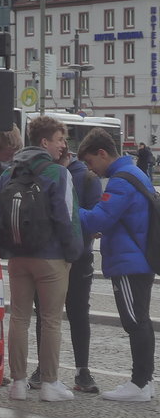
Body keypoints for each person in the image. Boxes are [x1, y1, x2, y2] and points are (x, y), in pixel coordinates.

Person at [0, 115, 83, 402]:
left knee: (19, 318)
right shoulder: (59, 174)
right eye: (60, 139)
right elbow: (67, 219)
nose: (63, 145)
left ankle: (18, 384)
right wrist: (73, 254)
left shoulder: (7, 174)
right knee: (51, 321)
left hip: (18, 258)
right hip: (51, 258)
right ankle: (50, 384)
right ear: (44, 142)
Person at [77, 127, 156, 402]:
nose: (91, 170)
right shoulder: (135, 173)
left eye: (90, 162)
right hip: (137, 258)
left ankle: (140, 383)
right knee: (139, 320)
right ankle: (144, 381)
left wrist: (66, 207)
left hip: (129, 261)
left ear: (102, 153)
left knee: (135, 322)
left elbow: (96, 220)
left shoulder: (121, 180)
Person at [28, 145, 102, 393]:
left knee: (76, 313)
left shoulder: (87, 179)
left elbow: (95, 219)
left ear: (68, 158)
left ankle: (81, 370)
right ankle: (46, 369)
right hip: (53, 256)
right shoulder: (46, 175)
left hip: (76, 256)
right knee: (48, 315)